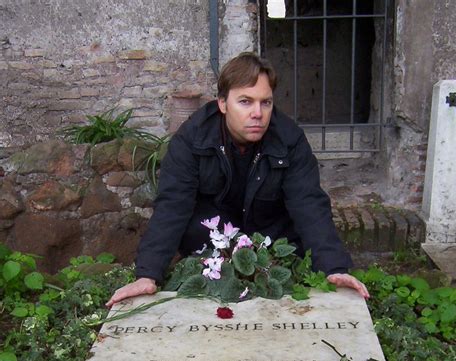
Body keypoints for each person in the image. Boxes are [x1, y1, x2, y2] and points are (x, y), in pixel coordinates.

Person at [106, 52, 368, 307]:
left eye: (265, 102)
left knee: (294, 237)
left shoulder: (289, 139)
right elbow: (172, 205)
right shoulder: (192, 139)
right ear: (222, 103)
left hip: (269, 232)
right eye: (245, 101)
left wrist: (334, 267)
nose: (258, 113)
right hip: (213, 236)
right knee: (192, 225)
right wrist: (147, 274)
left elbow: (309, 203)